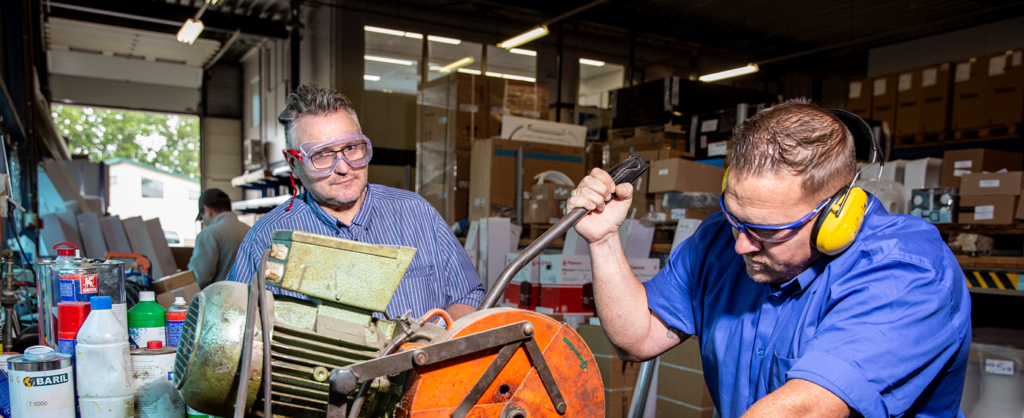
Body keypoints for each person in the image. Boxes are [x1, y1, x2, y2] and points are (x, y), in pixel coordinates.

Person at [567, 99, 971, 418]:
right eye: (734, 217)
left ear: (837, 216)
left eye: (768, 231)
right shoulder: (717, 241)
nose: (741, 244)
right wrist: (603, 240)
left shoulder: (908, 271)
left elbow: (808, 408)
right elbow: (637, 337)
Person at [227, 83, 484, 322]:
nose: (343, 167)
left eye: (351, 148)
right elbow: (237, 329)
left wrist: (424, 346)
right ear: (293, 162)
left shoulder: (417, 213)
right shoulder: (266, 240)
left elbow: (470, 294)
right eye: (322, 155)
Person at [189, 188, 251, 288]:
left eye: (201, 218)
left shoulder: (209, 233)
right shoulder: (250, 231)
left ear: (207, 210)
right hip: (249, 300)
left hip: (220, 300)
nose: (203, 221)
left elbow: (199, 278)